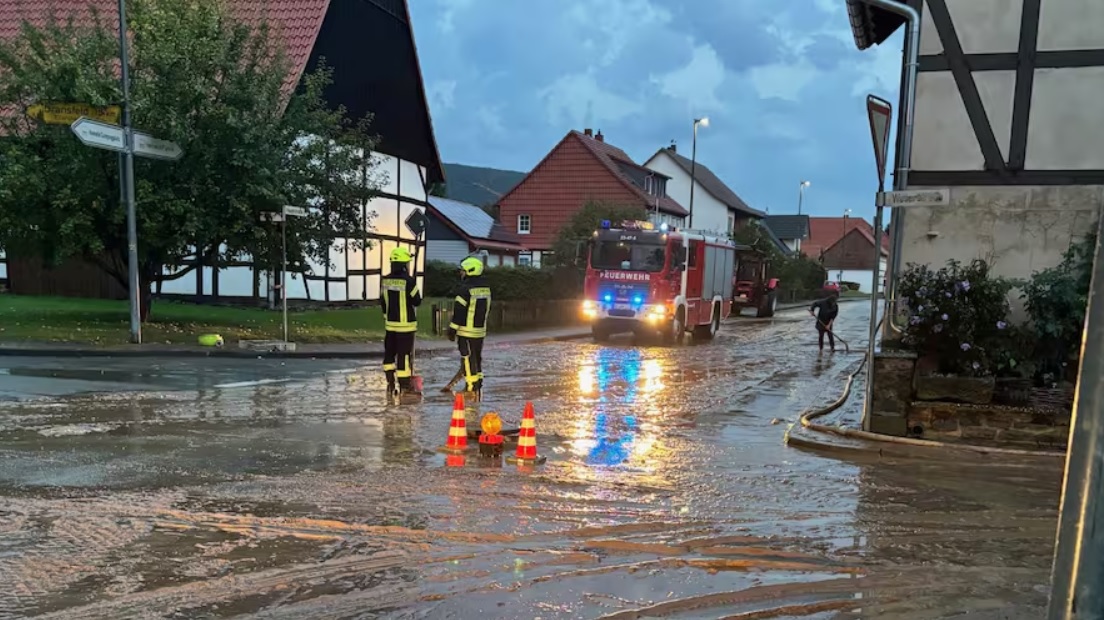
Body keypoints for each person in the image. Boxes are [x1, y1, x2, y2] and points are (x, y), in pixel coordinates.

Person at [381, 247, 422, 399]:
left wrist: (387, 316)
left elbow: (383, 301)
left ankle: (390, 383)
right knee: (404, 357)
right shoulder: (409, 281)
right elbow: (417, 301)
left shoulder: (385, 280)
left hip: (390, 325)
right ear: (404, 264)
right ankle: (404, 386)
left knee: (389, 355)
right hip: (406, 326)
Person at [448, 256, 492, 397]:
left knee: (467, 358)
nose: (461, 273)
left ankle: (471, 387)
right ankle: (478, 384)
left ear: (469, 271)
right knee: (477, 358)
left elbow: (459, 312)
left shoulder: (465, 290)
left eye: (463, 271)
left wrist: (452, 329)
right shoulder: (486, 289)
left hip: (466, 331)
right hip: (480, 331)